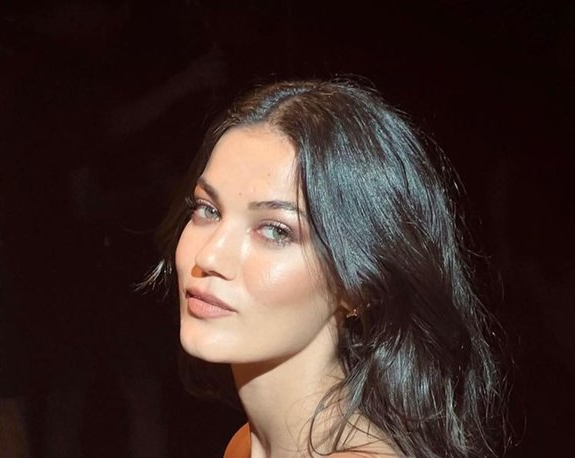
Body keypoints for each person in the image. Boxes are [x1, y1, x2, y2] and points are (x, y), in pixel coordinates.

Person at [145, 79, 505, 457]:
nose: (209, 257)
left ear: (359, 286)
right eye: (208, 210)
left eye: (275, 230)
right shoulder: (246, 445)